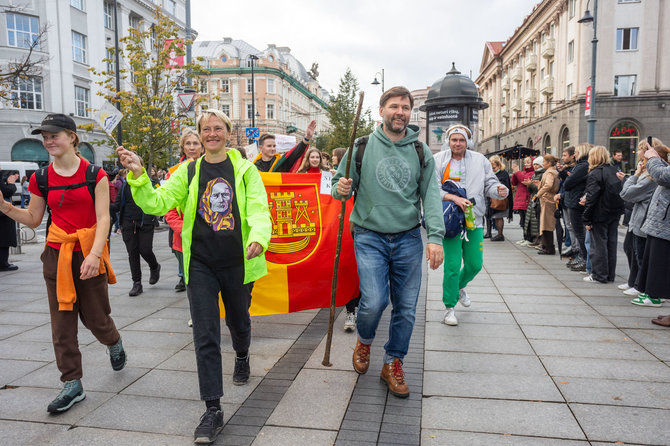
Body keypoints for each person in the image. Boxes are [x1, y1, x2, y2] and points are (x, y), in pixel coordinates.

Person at [117, 109, 271, 444]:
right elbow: (158, 203)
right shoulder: (187, 171)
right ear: (200, 135)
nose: (212, 133)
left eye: (218, 128)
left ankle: (242, 354)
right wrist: (139, 175)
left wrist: (259, 237)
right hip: (199, 263)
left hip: (238, 263)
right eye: (206, 129)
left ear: (228, 134)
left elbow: (260, 208)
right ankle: (212, 408)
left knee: (238, 322)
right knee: (205, 335)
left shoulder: (245, 170)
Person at [0, 113, 125, 413]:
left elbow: (104, 218)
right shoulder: (40, 178)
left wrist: (95, 255)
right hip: (56, 254)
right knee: (62, 323)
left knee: (96, 319)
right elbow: (32, 218)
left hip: (89, 250)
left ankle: (114, 341)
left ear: (72, 137)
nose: (48, 140)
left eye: (54, 135)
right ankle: (72, 383)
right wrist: (4, 207)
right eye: (45, 136)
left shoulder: (95, 174)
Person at [333, 86, 444, 398]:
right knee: (375, 301)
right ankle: (365, 341)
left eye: (405, 107)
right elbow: (337, 187)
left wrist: (435, 237)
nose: (400, 112)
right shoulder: (362, 145)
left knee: (407, 308)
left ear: (410, 113)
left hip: (409, 237)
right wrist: (341, 188)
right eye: (394, 106)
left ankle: (393, 362)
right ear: (381, 111)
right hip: (369, 236)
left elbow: (431, 196)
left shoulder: (421, 151)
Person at [434, 124, 508, 326]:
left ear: (468, 142)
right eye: (454, 140)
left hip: (473, 219)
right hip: (450, 221)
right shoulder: (438, 160)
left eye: (461, 140)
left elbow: (489, 184)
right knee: (451, 266)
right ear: (448, 141)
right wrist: (453, 198)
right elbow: (433, 189)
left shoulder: (480, 160)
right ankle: (449, 307)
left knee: (475, 264)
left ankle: (459, 287)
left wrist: (499, 190)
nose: (458, 143)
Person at [110, 158, 161, 297]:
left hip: (145, 222)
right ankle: (136, 283)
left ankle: (154, 266)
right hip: (128, 223)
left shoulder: (151, 184)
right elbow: (116, 205)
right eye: (129, 166)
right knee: (132, 253)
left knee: (145, 250)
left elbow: (158, 201)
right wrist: (101, 204)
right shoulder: (125, 186)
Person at [618, 140, 660, 297]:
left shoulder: (651, 177)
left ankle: (643, 288)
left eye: (642, 150)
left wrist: (633, 176)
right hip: (637, 217)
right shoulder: (647, 174)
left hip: (643, 218)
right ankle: (635, 282)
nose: (639, 154)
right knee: (632, 250)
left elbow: (627, 193)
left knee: (640, 254)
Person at [631, 142, 670, 308]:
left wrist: (654, 158)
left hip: (664, 222)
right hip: (660, 222)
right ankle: (651, 294)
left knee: (657, 262)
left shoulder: (653, 169)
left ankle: (654, 296)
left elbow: (663, 176)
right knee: (652, 260)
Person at [165, 128, 204, 293]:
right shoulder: (173, 173)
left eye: (196, 143)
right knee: (191, 281)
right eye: (188, 143)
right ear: (183, 147)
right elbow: (169, 208)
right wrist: (183, 229)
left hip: (209, 233)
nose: (192, 147)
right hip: (183, 236)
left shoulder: (210, 168)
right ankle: (196, 316)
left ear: (202, 146)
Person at [583, 146, 624, 283]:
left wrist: (586, 218)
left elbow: (592, 197)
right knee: (611, 244)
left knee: (598, 245)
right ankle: (609, 275)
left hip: (599, 213)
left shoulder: (595, 173)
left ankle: (599, 275)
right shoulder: (614, 170)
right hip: (614, 212)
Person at [562, 143, 592, 271]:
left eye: (577, 152)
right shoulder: (581, 166)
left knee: (579, 232)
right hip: (573, 200)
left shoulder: (582, 166)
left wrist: (570, 179)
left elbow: (568, 184)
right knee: (577, 231)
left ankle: (584, 258)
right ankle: (581, 256)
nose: (575, 154)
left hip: (575, 201)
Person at [252, 120, 316, 172]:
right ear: (260, 148)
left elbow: (295, 153)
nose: (273, 148)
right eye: (269, 146)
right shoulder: (254, 166)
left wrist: (307, 138)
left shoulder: (281, 162)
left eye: (274, 146)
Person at [536, 155, 559, 255]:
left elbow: (549, 185)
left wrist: (539, 193)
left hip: (548, 199)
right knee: (546, 223)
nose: (543, 163)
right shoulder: (552, 171)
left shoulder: (550, 172)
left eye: (544, 162)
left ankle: (548, 248)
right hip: (548, 198)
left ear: (549, 163)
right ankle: (546, 246)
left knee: (547, 224)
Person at [488, 155, 512, 241]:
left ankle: (500, 234)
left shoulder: (503, 173)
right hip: (495, 199)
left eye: (494, 167)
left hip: (501, 200)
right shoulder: (494, 174)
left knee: (499, 216)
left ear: (498, 165)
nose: (492, 169)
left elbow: (505, 185)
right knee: (497, 217)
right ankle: (499, 234)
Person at [511, 157, 535, 245]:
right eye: (525, 162)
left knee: (527, 221)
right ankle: (525, 237)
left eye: (528, 162)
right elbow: (513, 182)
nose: (526, 164)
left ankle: (529, 238)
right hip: (520, 199)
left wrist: (517, 172)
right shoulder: (523, 172)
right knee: (523, 220)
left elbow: (524, 180)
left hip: (526, 199)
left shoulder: (532, 173)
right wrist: (515, 173)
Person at [0, 171, 19, 271]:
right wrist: (11, 183)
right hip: (2, 214)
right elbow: (6, 191)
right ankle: (3, 263)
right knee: (4, 238)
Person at [524, 157, 544, 249]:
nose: (535, 166)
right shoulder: (534, 175)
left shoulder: (543, 174)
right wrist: (529, 185)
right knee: (532, 221)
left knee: (537, 221)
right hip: (533, 199)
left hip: (539, 199)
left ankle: (540, 240)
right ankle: (535, 239)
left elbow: (539, 189)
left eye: (537, 164)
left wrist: (531, 184)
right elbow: (531, 190)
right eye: (534, 164)